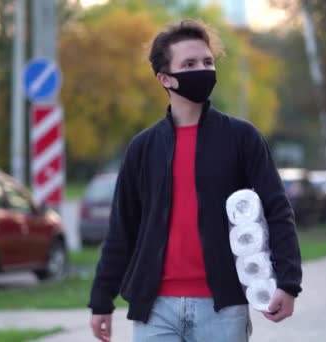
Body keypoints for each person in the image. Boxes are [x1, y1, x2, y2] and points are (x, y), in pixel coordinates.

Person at [88, 19, 302, 342]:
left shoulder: (242, 138)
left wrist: (288, 282)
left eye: (207, 62)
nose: (202, 69)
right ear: (165, 78)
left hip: (223, 308)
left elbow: (278, 209)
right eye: (188, 64)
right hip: (156, 309)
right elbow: (122, 229)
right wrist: (101, 300)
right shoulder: (142, 149)